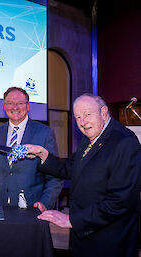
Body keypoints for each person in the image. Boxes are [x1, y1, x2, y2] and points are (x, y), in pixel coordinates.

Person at [26, 93, 141, 257]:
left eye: (87, 114)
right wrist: (43, 154)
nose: (82, 122)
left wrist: (71, 220)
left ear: (103, 112)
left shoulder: (124, 142)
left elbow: (120, 201)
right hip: (86, 235)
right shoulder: (91, 137)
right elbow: (72, 167)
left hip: (110, 241)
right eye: (78, 117)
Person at [0, 87, 63, 210]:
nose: (15, 107)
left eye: (20, 103)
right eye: (10, 103)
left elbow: (55, 177)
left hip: (31, 208)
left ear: (28, 106)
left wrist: (44, 204)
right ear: (4, 106)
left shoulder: (44, 133)